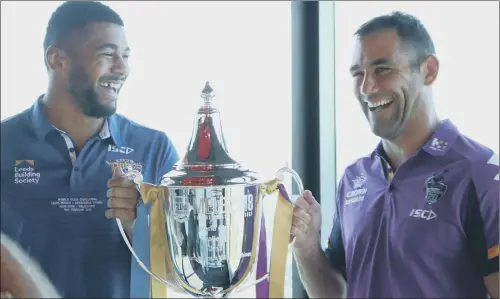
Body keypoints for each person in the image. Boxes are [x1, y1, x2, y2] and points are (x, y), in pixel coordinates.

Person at [290, 11, 499, 298]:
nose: (366, 88)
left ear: (429, 71)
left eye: (382, 69)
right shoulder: (354, 178)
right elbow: (336, 294)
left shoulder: (481, 174)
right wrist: (306, 247)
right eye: (357, 74)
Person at [0, 1, 179, 298]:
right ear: (58, 59)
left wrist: (137, 224)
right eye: (107, 54)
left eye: (125, 55)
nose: (121, 68)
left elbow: (178, 275)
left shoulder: (154, 148)